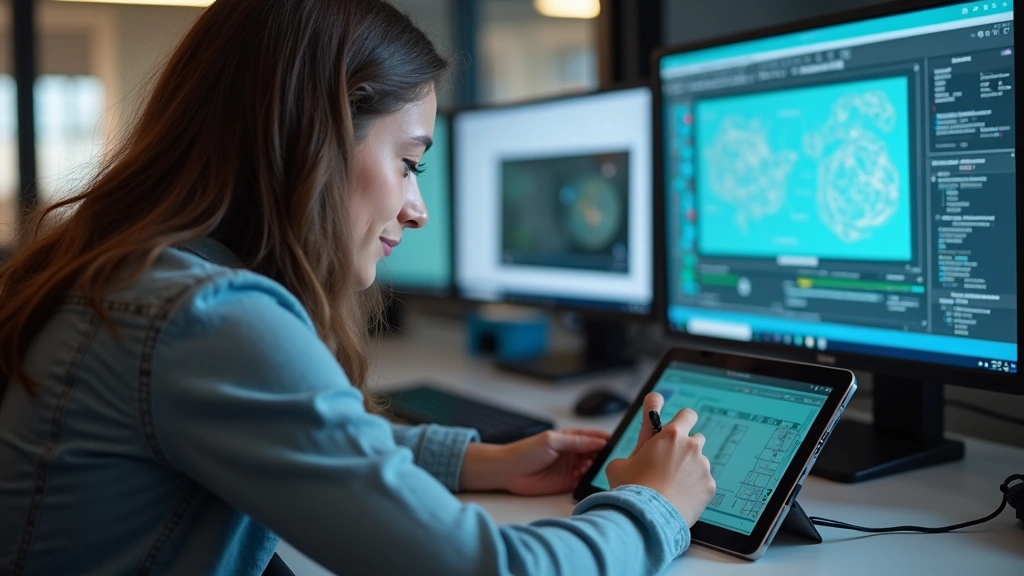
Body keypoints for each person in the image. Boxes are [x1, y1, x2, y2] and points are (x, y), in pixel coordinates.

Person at [0, 0, 715, 574]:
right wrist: (653, 505)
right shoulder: (208, 320)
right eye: (409, 162)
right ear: (314, 137)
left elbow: (288, 438)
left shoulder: (134, 277)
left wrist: (476, 461)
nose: (417, 206)